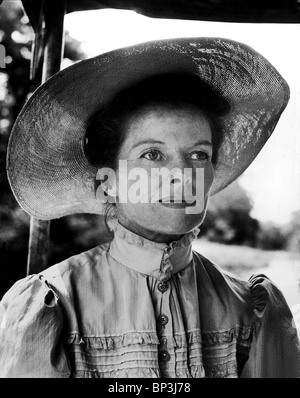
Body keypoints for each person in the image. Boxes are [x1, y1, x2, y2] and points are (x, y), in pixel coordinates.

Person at [0, 37, 299, 378]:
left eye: (199, 155)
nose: (182, 176)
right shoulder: (54, 304)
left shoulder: (252, 309)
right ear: (108, 181)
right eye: (153, 155)